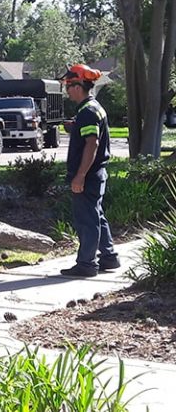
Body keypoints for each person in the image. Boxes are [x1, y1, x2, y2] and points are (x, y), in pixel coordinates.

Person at [59, 64, 119, 277]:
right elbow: (92, 136)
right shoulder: (95, 108)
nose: (67, 91)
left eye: (68, 86)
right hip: (97, 173)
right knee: (97, 214)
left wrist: (80, 176)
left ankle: (86, 263)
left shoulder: (87, 112)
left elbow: (91, 144)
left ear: (77, 86)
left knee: (87, 219)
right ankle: (109, 257)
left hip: (89, 175)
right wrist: (75, 127)